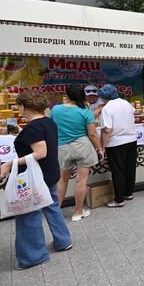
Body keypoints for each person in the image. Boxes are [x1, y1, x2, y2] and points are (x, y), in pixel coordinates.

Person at [0, 90, 72, 270]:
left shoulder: (33, 128)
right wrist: (21, 133)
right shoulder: (48, 122)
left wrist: (9, 164)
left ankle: (33, 257)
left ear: (23, 107)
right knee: (52, 206)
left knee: (28, 215)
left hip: (35, 178)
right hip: (49, 173)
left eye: (18, 106)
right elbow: (40, 141)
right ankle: (63, 240)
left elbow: (40, 152)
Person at [50, 85, 101, 222]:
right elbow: (92, 134)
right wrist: (100, 149)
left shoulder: (56, 109)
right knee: (81, 181)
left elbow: (51, 127)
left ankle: (56, 213)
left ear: (67, 95)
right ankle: (78, 212)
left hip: (63, 148)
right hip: (83, 147)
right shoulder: (85, 111)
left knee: (62, 180)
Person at [98, 84, 138, 208]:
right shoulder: (126, 103)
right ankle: (128, 193)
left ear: (104, 97)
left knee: (118, 171)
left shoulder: (107, 108)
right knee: (130, 168)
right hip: (131, 140)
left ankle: (119, 200)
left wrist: (102, 147)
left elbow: (106, 130)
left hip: (116, 143)